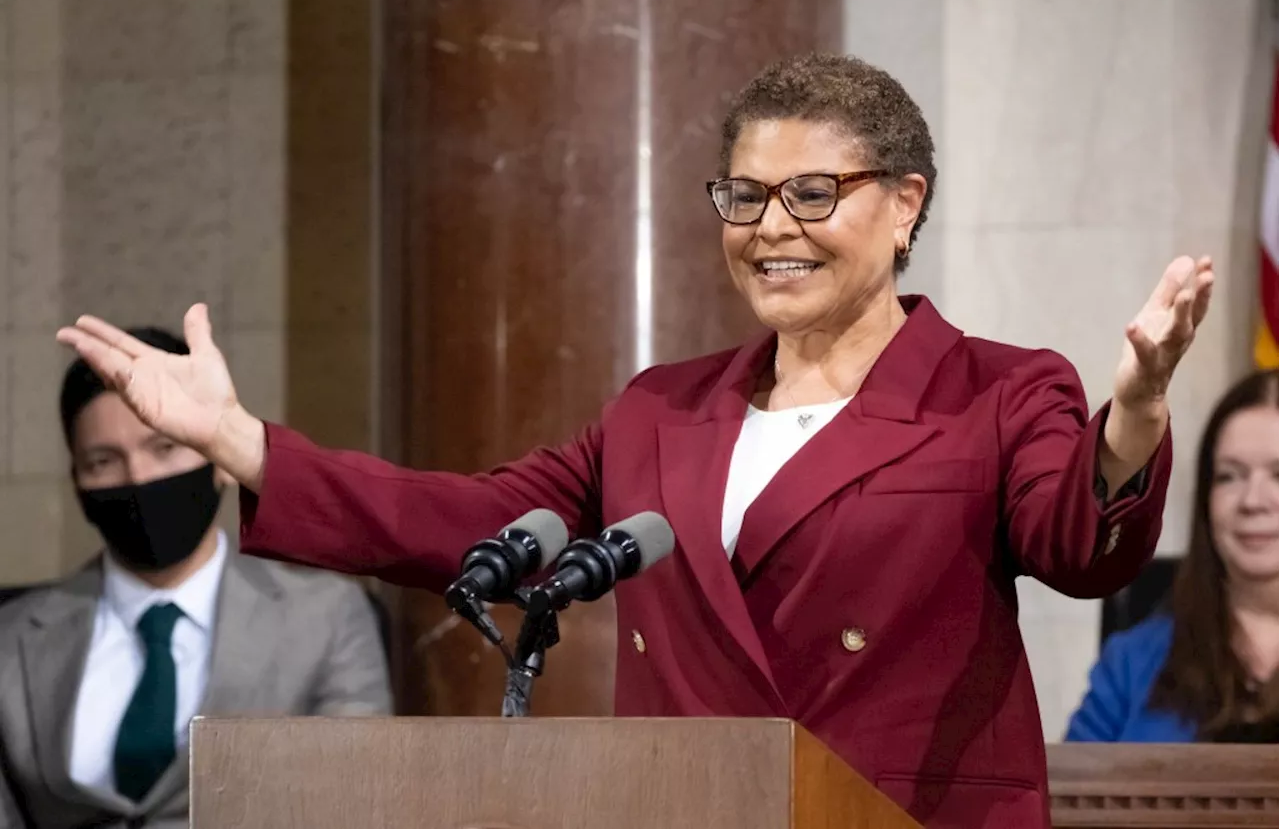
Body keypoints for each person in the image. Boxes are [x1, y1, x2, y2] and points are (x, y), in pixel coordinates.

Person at [55, 54, 1214, 828]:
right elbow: (471, 522)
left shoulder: (995, 390)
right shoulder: (661, 408)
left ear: (904, 203)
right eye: (744, 195)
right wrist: (243, 441)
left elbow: (1081, 548)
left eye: (813, 194)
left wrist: (1137, 412)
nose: (771, 229)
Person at [0, 327, 393, 829]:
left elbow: (356, 801)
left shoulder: (324, 618)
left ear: (219, 460)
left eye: (164, 448)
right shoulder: (13, 638)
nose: (139, 478)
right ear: (77, 480)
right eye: (103, 461)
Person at [1065, 370, 1280, 744]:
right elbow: (1070, 799)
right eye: (1229, 476)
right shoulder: (1130, 664)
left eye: (1279, 475)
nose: (1252, 501)